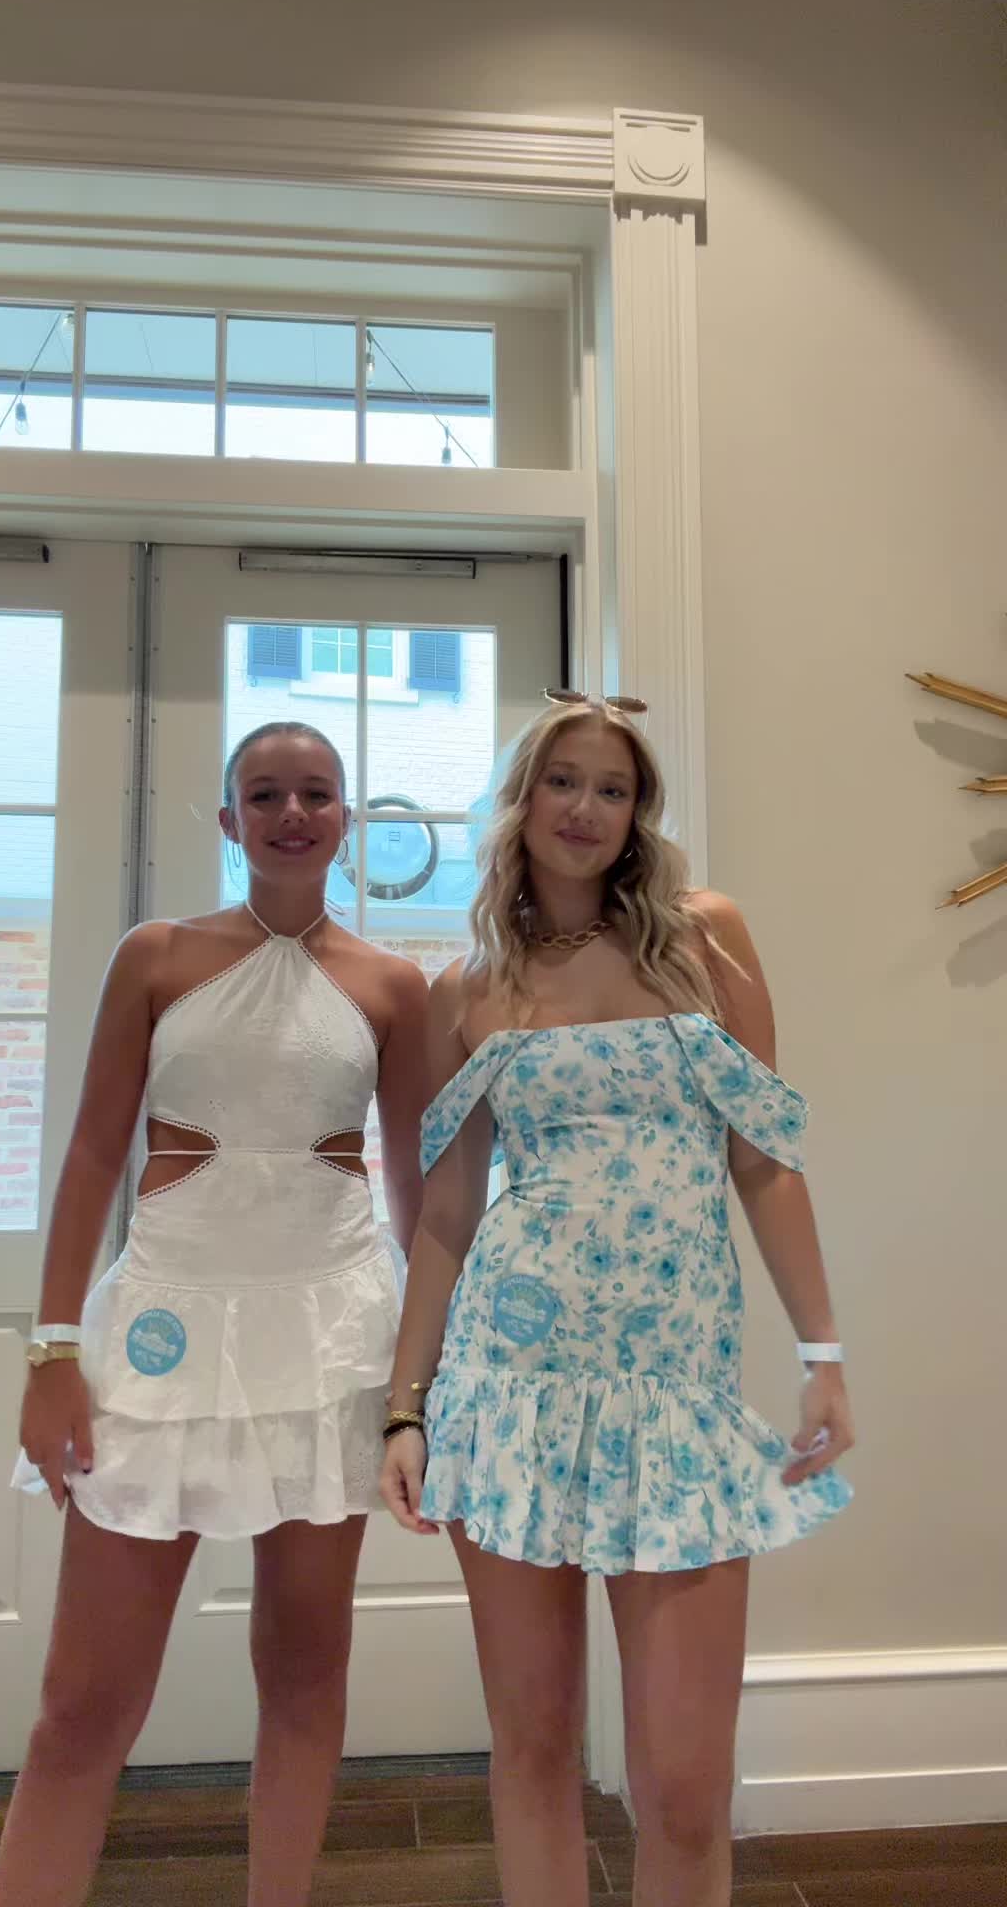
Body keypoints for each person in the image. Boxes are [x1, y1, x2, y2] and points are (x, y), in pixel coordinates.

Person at [381, 694, 854, 1907]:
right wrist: (405, 1407)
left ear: (640, 812)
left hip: (673, 1398)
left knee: (684, 1786)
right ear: (520, 800)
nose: (586, 809)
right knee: (534, 1751)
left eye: (614, 788)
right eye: (564, 781)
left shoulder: (705, 940)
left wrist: (825, 1354)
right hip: (507, 1390)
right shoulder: (467, 987)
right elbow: (447, 1212)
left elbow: (766, 1159)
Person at [0, 720, 429, 1907]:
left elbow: (418, 1198)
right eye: (266, 793)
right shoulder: (157, 956)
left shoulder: (393, 987)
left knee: (305, 1678)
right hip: (160, 1338)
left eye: (317, 793)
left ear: (346, 821)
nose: (294, 813)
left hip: (334, 1345)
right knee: (84, 1702)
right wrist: (52, 1351)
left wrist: (419, 1388)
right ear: (231, 819)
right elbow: (94, 1155)